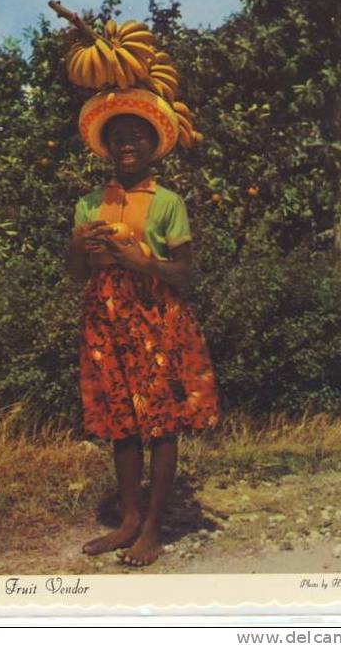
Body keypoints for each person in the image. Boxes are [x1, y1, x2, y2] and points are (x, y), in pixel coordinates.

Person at [67, 92, 219, 567]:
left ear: (153, 145)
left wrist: (141, 260)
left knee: (161, 421)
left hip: (156, 317)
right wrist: (77, 245)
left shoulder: (169, 203)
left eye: (136, 136)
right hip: (106, 317)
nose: (126, 143)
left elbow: (185, 273)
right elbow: (77, 274)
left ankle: (153, 528)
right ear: (107, 147)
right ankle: (129, 520)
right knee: (120, 420)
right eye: (118, 137)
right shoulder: (90, 203)